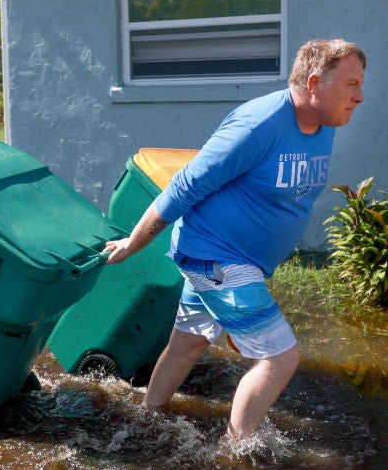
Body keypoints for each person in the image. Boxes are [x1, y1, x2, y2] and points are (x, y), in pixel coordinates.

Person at [102, 38, 366, 442]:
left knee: (187, 344)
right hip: (217, 256)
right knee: (279, 357)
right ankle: (235, 454)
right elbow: (184, 186)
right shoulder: (258, 125)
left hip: (233, 258)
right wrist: (131, 244)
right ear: (314, 83)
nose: (359, 97)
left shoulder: (324, 122)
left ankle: (146, 417)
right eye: (351, 85)